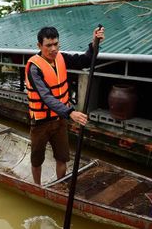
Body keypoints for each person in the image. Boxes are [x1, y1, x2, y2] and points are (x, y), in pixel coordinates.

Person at [25, 26, 105, 185]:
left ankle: (59, 185)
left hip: (60, 120)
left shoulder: (61, 58)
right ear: (39, 46)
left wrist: (95, 42)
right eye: (48, 45)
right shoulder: (34, 68)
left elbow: (85, 60)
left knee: (62, 157)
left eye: (56, 44)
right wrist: (70, 112)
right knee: (37, 159)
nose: (53, 49)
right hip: (41, 122)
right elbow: (46, 96)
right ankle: (37, 186)